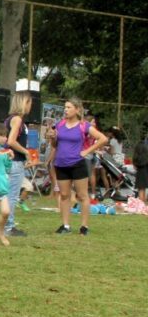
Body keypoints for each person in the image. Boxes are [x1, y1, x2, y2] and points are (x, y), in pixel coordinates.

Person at [46, 98, 108, 235]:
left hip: (77, 163)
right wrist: (52, 138)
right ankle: (65, 226)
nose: (65, 110)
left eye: (69, 107)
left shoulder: (84, 125)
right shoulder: (60, 125)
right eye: (65, 107)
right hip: (61, 164)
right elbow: (55, 145)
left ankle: (84, 227)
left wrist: (87, 151)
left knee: (82, 195)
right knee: (64, 195)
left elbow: (103, 139)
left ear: (77, 109)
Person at [3, 91, 33, 237]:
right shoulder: (17, 120)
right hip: (15, 162)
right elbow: (11, 141)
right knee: (12, 196)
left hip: (10, 161)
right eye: (29, 103)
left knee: (9, 194)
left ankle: (7, 225)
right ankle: (9, 227)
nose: (30, 106)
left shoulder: (11, 119)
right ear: (24, 103)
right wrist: (25, 151)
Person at [133, 135, 148, 202]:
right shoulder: (146, 147)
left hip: (140, 170)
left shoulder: (138, 146)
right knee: (144, 188)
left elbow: (135, 158)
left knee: (141, 189)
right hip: (146, 168)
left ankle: (141, 204)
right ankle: (144, 203)